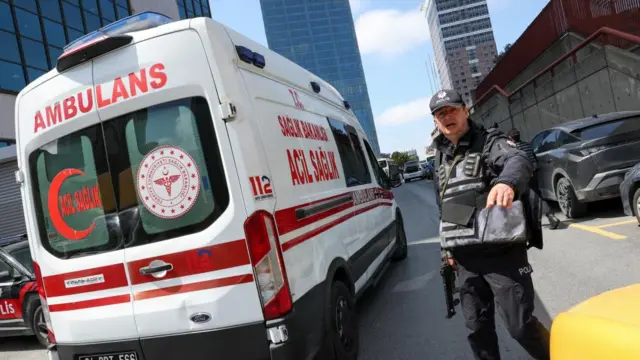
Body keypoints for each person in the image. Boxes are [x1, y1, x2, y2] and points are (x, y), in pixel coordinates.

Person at [430, 89, 550, 360]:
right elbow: (444, 207)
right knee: (478, 332)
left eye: (451, 109)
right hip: (464, 259)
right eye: (440, 113)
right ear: (435, 121)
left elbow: (518, 160)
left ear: (465, 110)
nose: (446, 116)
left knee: (521, 327)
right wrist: (446, 251)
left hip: (501, 254)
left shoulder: (489, 141)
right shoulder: (439, 155)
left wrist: (507, 182)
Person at [507, 128, 560, 230]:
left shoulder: (513, 148)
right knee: (537, 195)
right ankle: (550, 216)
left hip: (522, 174)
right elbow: (534, 158)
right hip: (533, 171)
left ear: (510, 138)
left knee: (520, 198)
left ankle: (527, 224)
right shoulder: (527, 145)